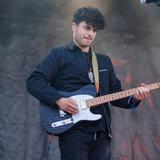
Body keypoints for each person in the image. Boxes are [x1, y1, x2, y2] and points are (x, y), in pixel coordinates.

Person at [26, 7, 150, 160]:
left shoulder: (103, 61)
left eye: (94, 30)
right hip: (73, 133)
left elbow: (115, 94)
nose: (90, 34)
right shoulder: (58, 54)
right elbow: (33, 82)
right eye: (87, 27)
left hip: (102, 134)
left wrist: (136, 98)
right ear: (74, 27)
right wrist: (58, 100)